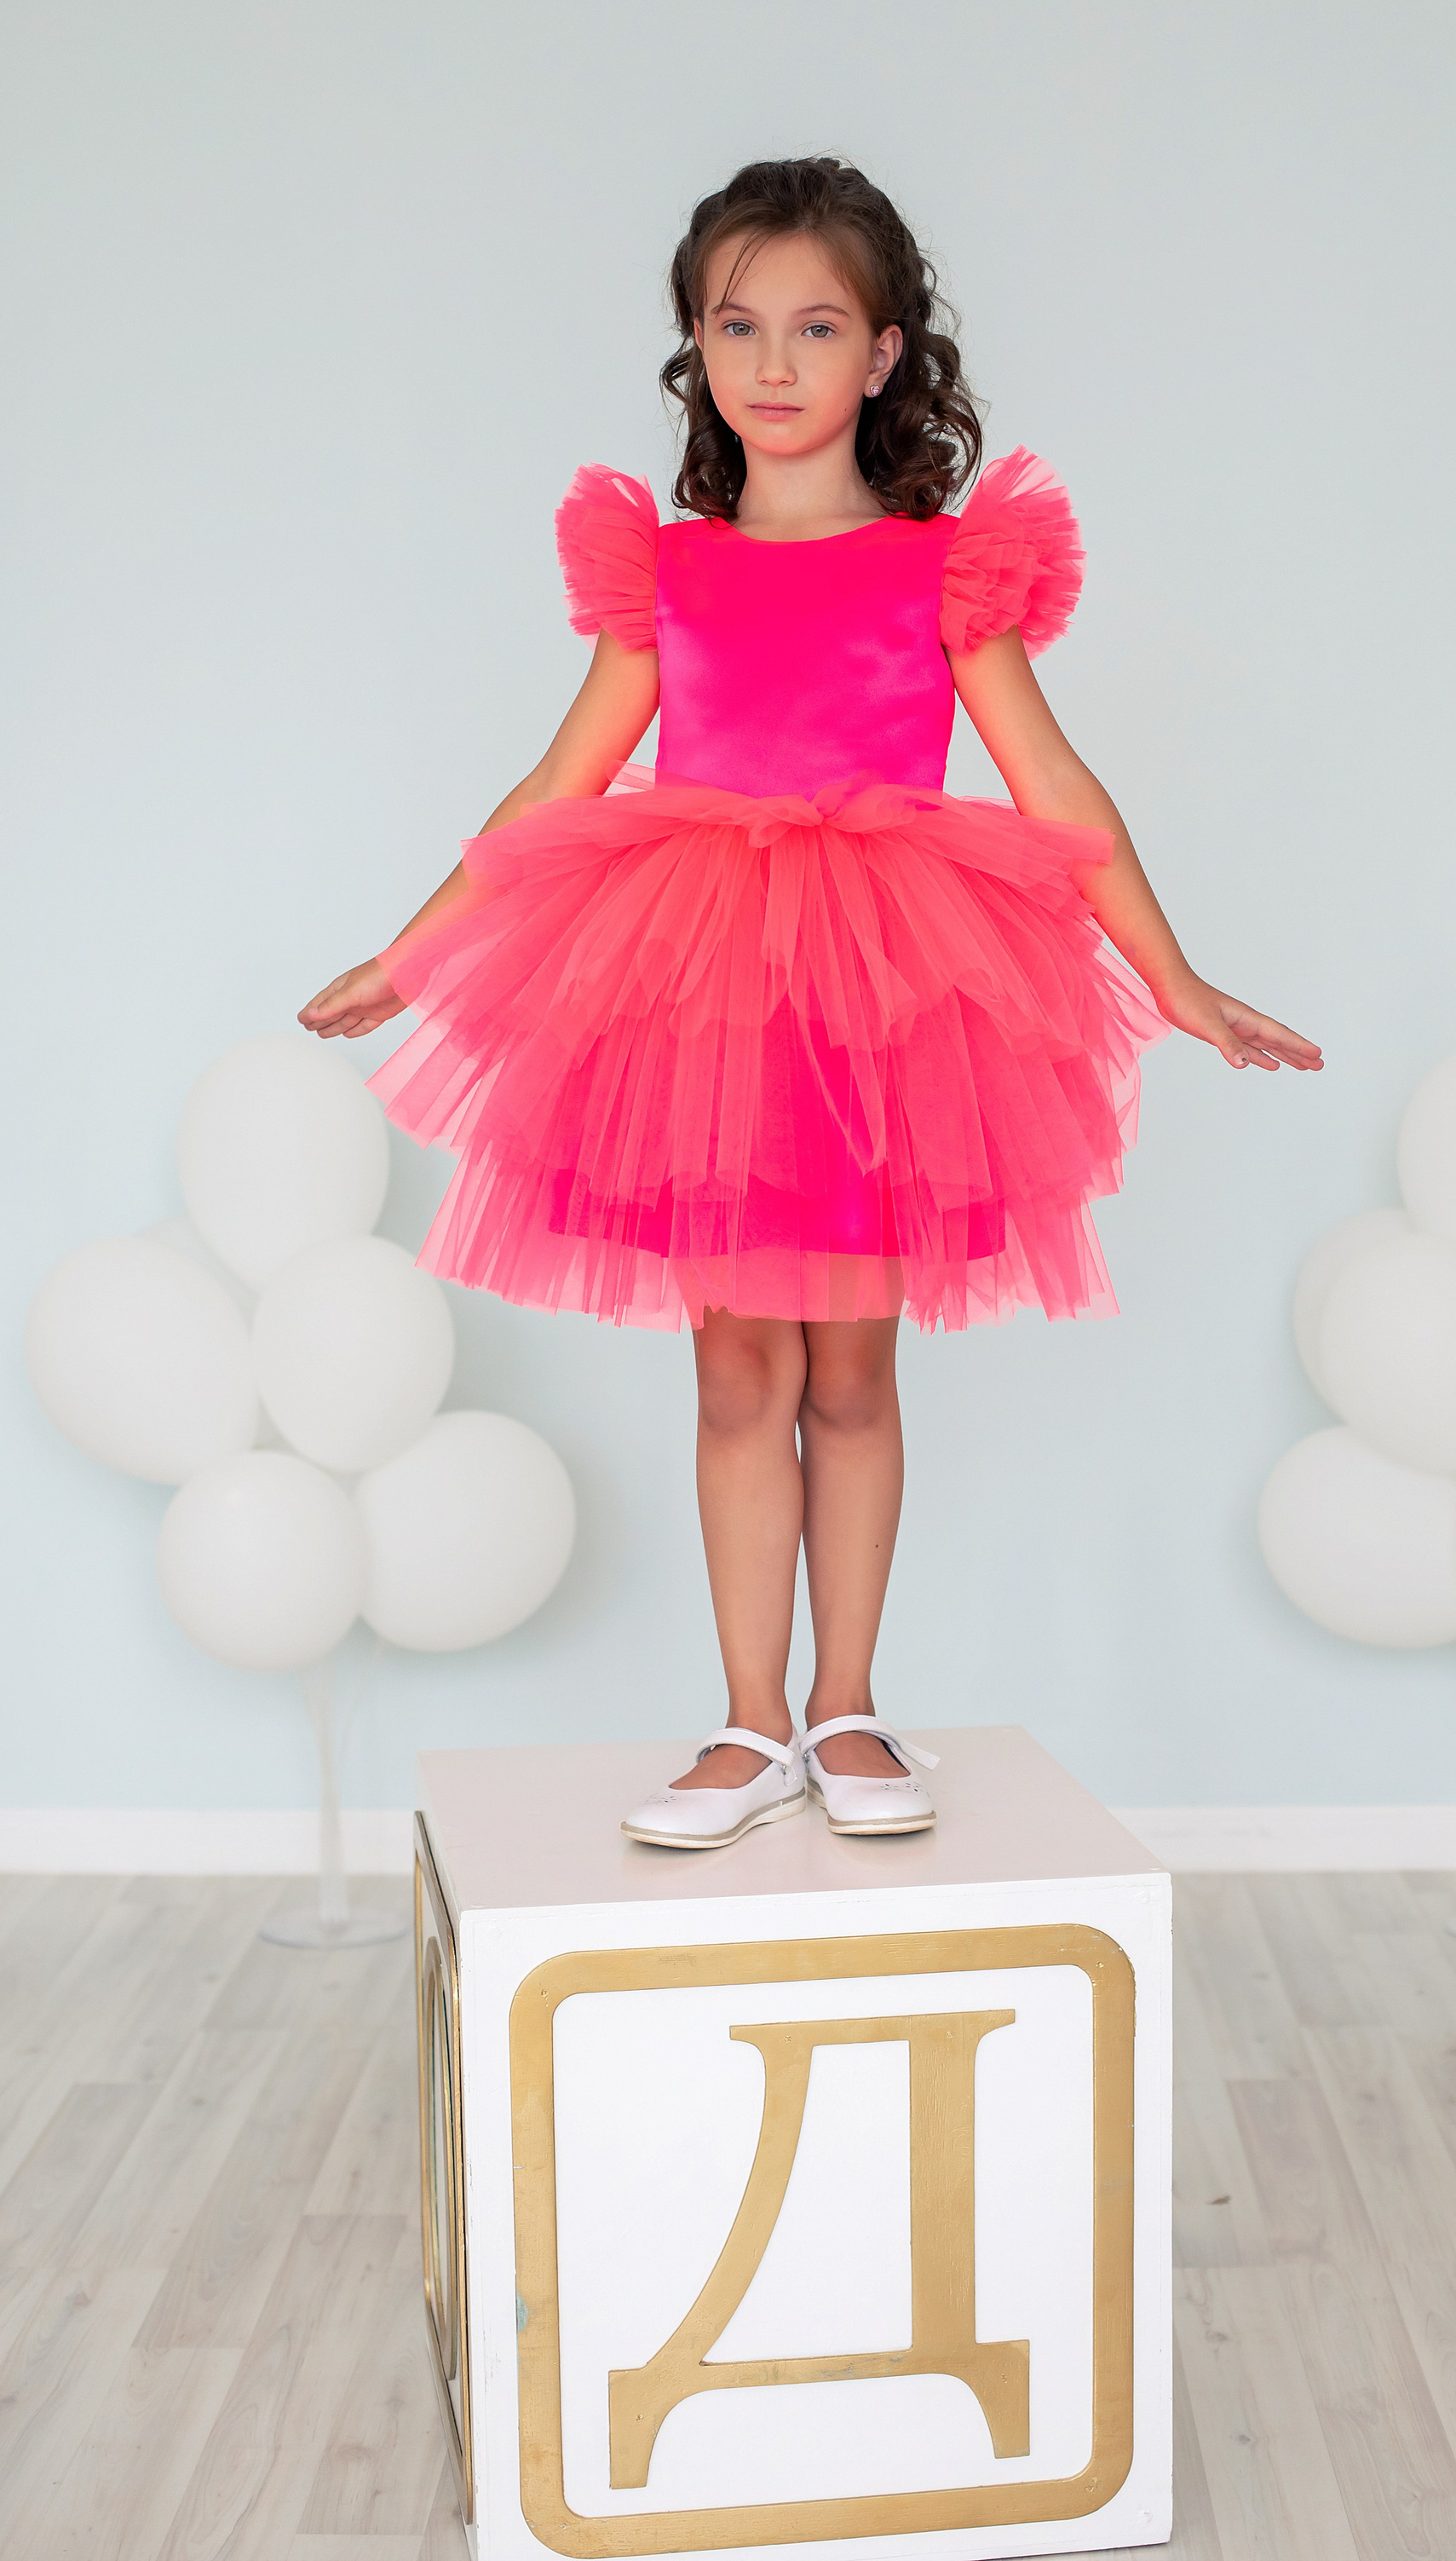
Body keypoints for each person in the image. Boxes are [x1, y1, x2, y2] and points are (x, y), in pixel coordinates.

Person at [300, 156, 1321, 1850]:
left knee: (851, 1372)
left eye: (817, 326)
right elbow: (555, 791)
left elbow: (1058, 790)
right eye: (737, 326)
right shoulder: (668, 575)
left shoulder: (941, 573)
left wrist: (1177, 982)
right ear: (696, 349)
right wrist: (409, 962)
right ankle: (748, 1721)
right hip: (703, 1012)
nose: (773, 362)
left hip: (881, 1010)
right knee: (732, 1379)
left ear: (886, 352)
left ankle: (847, 1705)